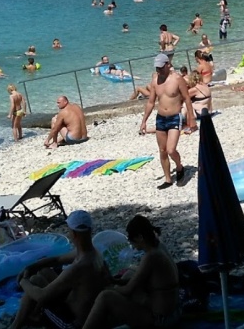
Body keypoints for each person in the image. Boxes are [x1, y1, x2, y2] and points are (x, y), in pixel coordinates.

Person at [10, 211, 111, 329]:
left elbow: (41, 296)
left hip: (72, 323)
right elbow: (57, 259)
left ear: (73, 234)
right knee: (44, 272)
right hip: (79, 307)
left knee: (33, 283)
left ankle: (16, 325)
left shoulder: (79, 267)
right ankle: (32, 315)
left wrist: (23, 281)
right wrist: (31, 267)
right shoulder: (93, 253)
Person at [83, 215, 181, 329]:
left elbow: (128, 290)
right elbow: (139, 280)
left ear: (140, 237)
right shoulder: (160, 246)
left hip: (161, 319)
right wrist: (114, 280)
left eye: (131, 239)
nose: (131, 244)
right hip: (174, 311)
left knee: (105, 296)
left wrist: (109, 288)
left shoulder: (151, 256)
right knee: (130, 273)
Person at [140, 54, 196, 189]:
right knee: (162, 150)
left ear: (168, 65)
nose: (158, 70)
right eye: (156, 68)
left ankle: (179, 167)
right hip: (160, 118)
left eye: (160, 67)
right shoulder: (155, 80)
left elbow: (187, 98)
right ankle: (168, 179)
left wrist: (191, 118)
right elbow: (151, 102)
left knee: (171, 149)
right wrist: (144, 121)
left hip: (174, 117)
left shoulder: (177, 79)